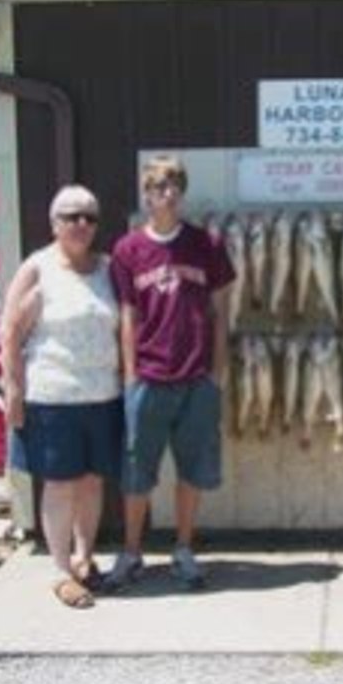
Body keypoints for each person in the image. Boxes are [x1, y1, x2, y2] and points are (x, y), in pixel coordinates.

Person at [105, 155, 234, 591]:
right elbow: (127, 316)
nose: (168, 192)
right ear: (146, 195)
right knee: (137, 474)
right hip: (148, 378)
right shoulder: (127, 250)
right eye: (160, 186)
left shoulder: (207, 244)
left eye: (175, 185)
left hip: (197, 378)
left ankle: (183, 548)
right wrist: (130, 376)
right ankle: (131, 552)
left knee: (192, 471)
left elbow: (221, 310)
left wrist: (216, 373)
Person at [1, 184, 122, 609]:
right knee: (60, 485)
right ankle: (60, 571)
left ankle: (85, 557)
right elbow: (11, 334)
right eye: (72, 216)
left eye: (90, 216)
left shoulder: (109, 268)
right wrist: (13, 389)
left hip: (103, 395)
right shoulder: (38, 268)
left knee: (92, 482)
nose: (82, 224)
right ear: (54, 223)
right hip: (52, 397)